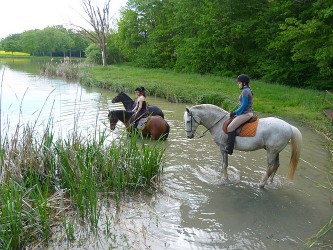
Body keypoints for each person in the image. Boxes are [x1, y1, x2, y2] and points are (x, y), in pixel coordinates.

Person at [225, 74, 254, 155]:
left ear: (244, 83)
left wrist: (236, 112)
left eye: (239, 83)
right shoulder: (247, 89)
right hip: (246, 113)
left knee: (230, 128)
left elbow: (244, 105)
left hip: (246, 114)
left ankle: (230, 149)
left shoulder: (245, 91)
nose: (238, 84)